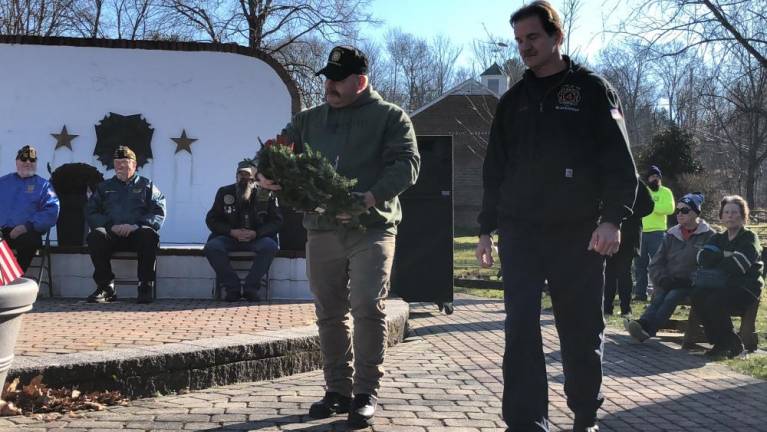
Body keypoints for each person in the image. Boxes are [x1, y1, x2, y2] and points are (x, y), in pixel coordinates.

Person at [474, 2, 638, 431]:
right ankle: (527, 421)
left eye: (533, 38)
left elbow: (620, 165)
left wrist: (612, 219)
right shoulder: (512, 102)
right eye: (519, 41)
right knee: (521, 328)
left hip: (578, 233)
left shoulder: (591, 90)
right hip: (520, 232)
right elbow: (495, 170)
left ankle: (585, 412)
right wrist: (485, 230)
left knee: (580, 328)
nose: (525, 48)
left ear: (556, 38)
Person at [258, 45, 419, 429]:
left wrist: (369, 197)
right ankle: (337, 390)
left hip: (372, 227)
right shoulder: (309, 120)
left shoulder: (390, 117)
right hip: (322, 230)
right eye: (326, 77)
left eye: (336, 79)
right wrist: (265, 173)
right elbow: (272, 153)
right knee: (329, 312)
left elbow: (408, 164)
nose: (328, 85)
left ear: (360, 81)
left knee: (366, 305)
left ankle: (365, 392)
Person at [624, 193, 714, 342]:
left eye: (684, 210)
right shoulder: (671, 235)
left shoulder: (709, 236)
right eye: (678, 210)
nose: (679, 214)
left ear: (696, 213)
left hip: (692, 284)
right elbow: (656, 263)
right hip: (670, 281)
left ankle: (647, 329)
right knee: (661, 294)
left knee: (672, 296)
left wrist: (691, 280)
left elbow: (710, 264)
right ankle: (643, 323)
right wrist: (663, 278)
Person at [85, 146, 166, 304]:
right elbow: (91, 211)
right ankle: (106, 287)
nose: (120, 166)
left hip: (137, 234)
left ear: (134, 165)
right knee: (95, 237)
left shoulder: (147, 185)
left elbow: (158, 211)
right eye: (117, 162)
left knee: (149, 235)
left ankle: (145, 287)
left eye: (125, 162)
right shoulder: (104, 187)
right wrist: (109, 226)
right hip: (112, 233)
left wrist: (136, 226)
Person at [693, 195, 764, 358]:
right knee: (697, 295)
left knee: (714, 300)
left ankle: (729, 344)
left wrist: (718, 257)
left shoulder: (749, 237)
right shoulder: (718, 237)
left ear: (743, 215)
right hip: (720, 284)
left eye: (734, 212)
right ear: (721, 216)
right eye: (726, 212)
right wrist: (726, 255)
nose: (730, 216)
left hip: (746, 287)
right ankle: (723, 343)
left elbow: (739, 265)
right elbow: (701, 258)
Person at [204, 160, 282, 302]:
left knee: (269, 246)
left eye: (249, 177)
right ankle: (232, 288)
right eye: (242, 176)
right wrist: (231, 231)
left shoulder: (266, 195)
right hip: (230, 237)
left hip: (257, 238)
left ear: (255, 179)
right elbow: (212, 219)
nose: (245, 179)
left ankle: (250, 288)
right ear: (236, 176)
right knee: (212, 247)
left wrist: (256, 233)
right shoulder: (224, 192)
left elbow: (276, 221)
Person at [0, 145, 60, 271]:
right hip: (2, 232)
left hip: (27, 231)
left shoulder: (44, 186)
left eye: (32, 160)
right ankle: (6, 279)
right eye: (24, 159)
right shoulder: (3, 182)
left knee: (29, 242)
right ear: (17, 162)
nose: (28, 162)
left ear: (36, 163)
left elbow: (52, 211)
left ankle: (14, 282)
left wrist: (27, 226)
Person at [604, 178, 653, 317]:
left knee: (624, 272)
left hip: (630, 234)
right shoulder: (610, 180)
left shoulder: (637, 183)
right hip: (611, 231)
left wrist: (631, 214)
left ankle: (626, 308)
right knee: (609, 272)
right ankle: (607, 307)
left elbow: (649, 206)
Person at [633, 165, 674, 300]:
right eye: (652, 176)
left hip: (658, 233)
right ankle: (640, 294)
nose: (655, 179)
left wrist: (651, 205)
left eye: (657, 176)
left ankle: (660, 292)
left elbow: (669, 209)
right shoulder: (643, 191)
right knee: (640, 265)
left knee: (659, 264)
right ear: (648, 178)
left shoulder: (666, 192)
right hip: (641, 232)